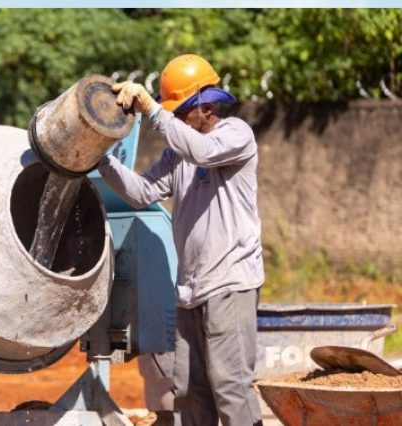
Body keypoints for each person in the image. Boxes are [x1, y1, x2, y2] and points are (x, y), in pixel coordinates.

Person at [99, 54, 264, 426]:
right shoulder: (179, 153)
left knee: (231, 387)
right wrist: (102, 161)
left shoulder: (235, 135)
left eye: (181, 109)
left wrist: (153, 110)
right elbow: (142, 192)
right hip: (191, 290)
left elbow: (202, 152)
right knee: (190, 392)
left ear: (206, 106)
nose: (173, 117)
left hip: (230, 283)